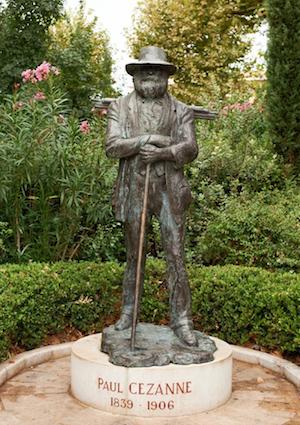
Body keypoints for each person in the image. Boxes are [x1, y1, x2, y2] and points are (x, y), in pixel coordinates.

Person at [105, 46, 198, 346]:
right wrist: (147, 139)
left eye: (156, 70)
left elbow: (190, 149)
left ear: (166, 76)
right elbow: (112, 146)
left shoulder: (181, 110)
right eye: (144, 70)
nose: (149, 75)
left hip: (170, 190)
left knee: (175, 255)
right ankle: (128, 314)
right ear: (134, 75)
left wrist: (163, 152)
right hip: (134, 188)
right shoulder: (119, 107)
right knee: (135, 256)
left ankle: (182, 322)